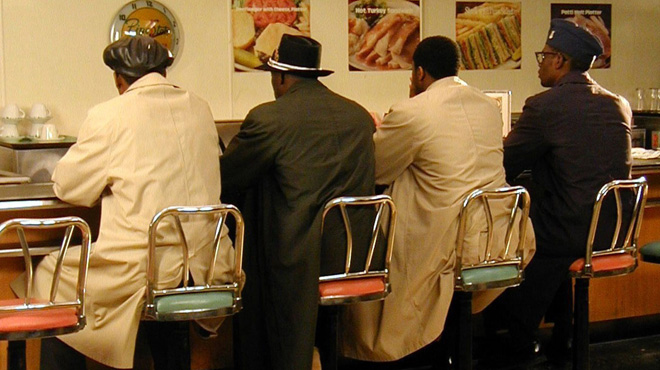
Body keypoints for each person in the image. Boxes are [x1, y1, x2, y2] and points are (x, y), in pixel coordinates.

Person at [28, 36, 236, 369]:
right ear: (163, 71)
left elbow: (69, 187)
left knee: (52, 276)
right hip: (207, 266)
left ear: (119, 79)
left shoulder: (111, 114)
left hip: (143, 269)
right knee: (164, 285)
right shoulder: (200, 107)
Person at [340, 35, 536, 362]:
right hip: (499, 240)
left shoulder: (413, 111)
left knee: (373, 242)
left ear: (419, 73)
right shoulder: (488, 106)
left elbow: (378, 170)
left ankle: (372, 352)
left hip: (447, 244)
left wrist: (381, 128)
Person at [220, 34, 377, 370]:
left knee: (256, 214)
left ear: (280, 76)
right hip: (355, 256)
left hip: (298, 260)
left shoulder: (270, 118)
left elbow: (227, 177)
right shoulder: (359, 117)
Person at [483, 19, 632, 365]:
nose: (540, 62)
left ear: (561, 61)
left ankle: (515, 342)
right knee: (553, 224)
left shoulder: (545, 106)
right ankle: (562, 336)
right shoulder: (617, 104)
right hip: (614, 232)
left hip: (568, 233)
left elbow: (505, 162)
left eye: (544, 55)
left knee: (508, 234)